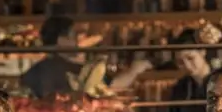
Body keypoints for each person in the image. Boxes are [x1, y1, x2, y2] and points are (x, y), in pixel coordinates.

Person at [20, 15, 152, 98]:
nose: (77, 42)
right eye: (73, 36)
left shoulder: (35, 71)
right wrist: (134, 70)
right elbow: (112, 86)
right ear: (61, 40)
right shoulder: (75, 69)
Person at [165, 29, 211, 112]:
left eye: (190, 58)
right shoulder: (180, 88)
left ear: (202, 51)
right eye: (180, 62)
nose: (187, 66)